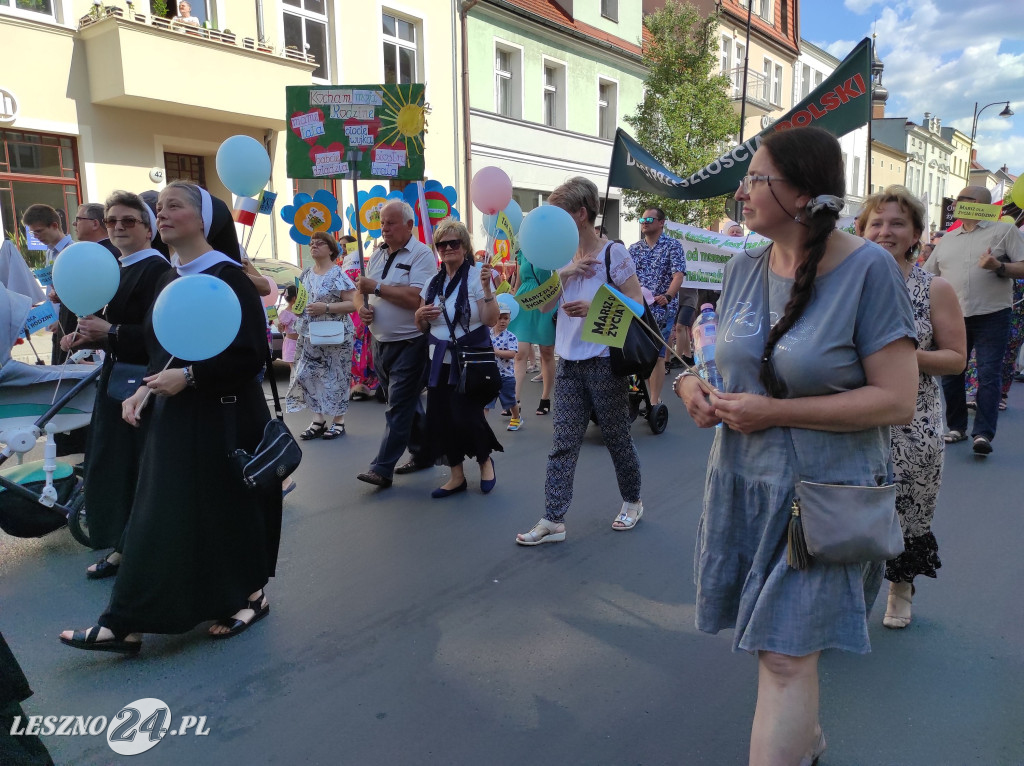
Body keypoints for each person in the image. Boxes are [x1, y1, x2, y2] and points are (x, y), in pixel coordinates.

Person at [675, 126, 917, 765]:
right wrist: (692, 385)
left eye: (758, 178)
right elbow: (724, 363)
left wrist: (775, 411)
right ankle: (805, 741)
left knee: (784, 656)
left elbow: (897, 399)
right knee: (777, 652)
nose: (743, 190)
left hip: (823, 499)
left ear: (806, 193)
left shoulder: (869, 269)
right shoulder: (741, 266)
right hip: (744, 484)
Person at [59, 181, 281, 653]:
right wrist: (144, 390)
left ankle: (251, 595)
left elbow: (251, 355)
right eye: (159, 207)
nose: (162, 213)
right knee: (161, 511)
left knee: (227, 511)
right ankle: (126, 620)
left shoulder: (228, 276)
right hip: (177, 414)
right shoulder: (172, 277)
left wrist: (193, 378)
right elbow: (165, 350)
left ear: (204, 219)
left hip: (226, 415)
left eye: (174, 206)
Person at [857, 185, 966, 630]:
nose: (885, 231)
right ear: (860, 231)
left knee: (908, 509)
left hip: (912, 423)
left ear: (917, 232)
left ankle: (900, 587)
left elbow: (956, 359)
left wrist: (899, 355)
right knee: (846, 508)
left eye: (897, 223)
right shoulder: (842, 284)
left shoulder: (933, 288)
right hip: (851, 420)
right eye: (876, 223)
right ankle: (844, 596)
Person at [516, 177, 646, 546]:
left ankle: (632, 502)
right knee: (562, 443)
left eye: (559, 213)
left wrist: (595, 308)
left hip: (604, 360)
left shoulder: (613, 254)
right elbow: (541, 305)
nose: (552, 223)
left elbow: (638, 305)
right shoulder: (560, 256)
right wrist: (564, 274)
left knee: (617, 438)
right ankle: (553, 519)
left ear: (581, 214)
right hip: (569, 362)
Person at [59, 191, 170, 580]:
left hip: (141, 382)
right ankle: (125, 545)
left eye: (129, 221)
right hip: (116, 376)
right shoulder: (118, 266)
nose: (119, 227)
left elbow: (163, 338)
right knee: (114, 466)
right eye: (112, 222)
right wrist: (87, 337)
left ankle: (135, 550)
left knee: (136, 470)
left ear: (147, 229)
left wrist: (112, 331)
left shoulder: (157, 269)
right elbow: (113, 331)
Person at [924, 186, 1024, 455]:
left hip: (993, 314)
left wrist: (999, 267)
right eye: (957, 199)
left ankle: (983, 435)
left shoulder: (1004, 231)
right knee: (951, 372)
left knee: (988, 375)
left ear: (980, 204)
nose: (957, 202)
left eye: (964, 199)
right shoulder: (948, 239)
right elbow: (928, 274)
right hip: (953, 316)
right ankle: (956, 427)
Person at [413, 219, 501, 497]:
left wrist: (487, 291)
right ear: (437, 249)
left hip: (469, 360)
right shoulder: (431, 282)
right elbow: (422, 326)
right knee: (441, 418)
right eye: (443, 244)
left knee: (467, 416)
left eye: (454, 243)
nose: (448, 248)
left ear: (464, 246)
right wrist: (420, 317)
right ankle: (456, 476)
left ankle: (485, 461)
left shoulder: (477, 277)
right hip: (439, 360)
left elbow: (490, 320)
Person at [355, 200, 436, 487]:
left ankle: (382, 468)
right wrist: (362, 307)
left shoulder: (422, 255)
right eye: (382, 223)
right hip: (381, 342)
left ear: (409, 225)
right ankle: (425, 452)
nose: (384, 228)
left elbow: (417, 298)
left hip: (411, 342)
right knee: (406, 403)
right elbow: (360, 291)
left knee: (399, 406)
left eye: (390, 223)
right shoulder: (377, 254)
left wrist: (376, 288)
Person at [286, 232, 356, 440]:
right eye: (311, 243)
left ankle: (338, 421)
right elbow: (299, 303)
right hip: (309, 333)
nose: (314, 246)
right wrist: (296, 311)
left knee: (337, 376)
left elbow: (353, 303)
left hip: (335, 334)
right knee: (307, 375)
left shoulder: (338, 274)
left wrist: (325, 307)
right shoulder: (305, 274)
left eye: (319, 243)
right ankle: (318, 419)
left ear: (331, 249)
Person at [628, 207, 686, 404]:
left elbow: (678, 275)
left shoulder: (673, 246)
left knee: (659, 355)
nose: (644, 222)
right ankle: (641, 392)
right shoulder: (634, 249)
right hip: (638, 308)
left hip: (662, 309)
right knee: (638, 353)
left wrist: (668, 296)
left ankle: (653, 401)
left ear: (661, 222)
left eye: (650, 219)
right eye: (642, 219)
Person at [21, 204, 74, 364]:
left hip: (69, 322)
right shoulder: (49, 252)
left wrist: (61, 318)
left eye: (39, 231)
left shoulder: (71, 251)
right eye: (32, 232)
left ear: (54, 226)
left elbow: (73, 292)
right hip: (56, 321)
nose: (36, 236)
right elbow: (52, 286)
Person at [508, 251, 556, 416]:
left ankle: (545, 398)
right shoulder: (522, 252)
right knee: (519, 353)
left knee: (547, 352)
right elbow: (519, 282)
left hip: (546, 300)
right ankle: (514, 401)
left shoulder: (553, 249)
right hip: (525, 301)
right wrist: (512, 302)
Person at [491, 307, 521, 430]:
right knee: (486, 401)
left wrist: (495, 351)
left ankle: (516, 418)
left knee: (509, 400)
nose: (503, 321)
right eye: (499, 318)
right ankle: (481, 424)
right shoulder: (488, 333)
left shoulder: (511, 337)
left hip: (506, 375)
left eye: (506, 318)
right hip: (490, 374)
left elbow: (512, 354)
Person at [278, 284, 299, 365]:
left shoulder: (301, 311)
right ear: (294, 298)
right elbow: (282, 329)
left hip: (300, 342)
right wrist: (280, 327)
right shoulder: (286, 313)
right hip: (291, 343)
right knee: (293, 366)